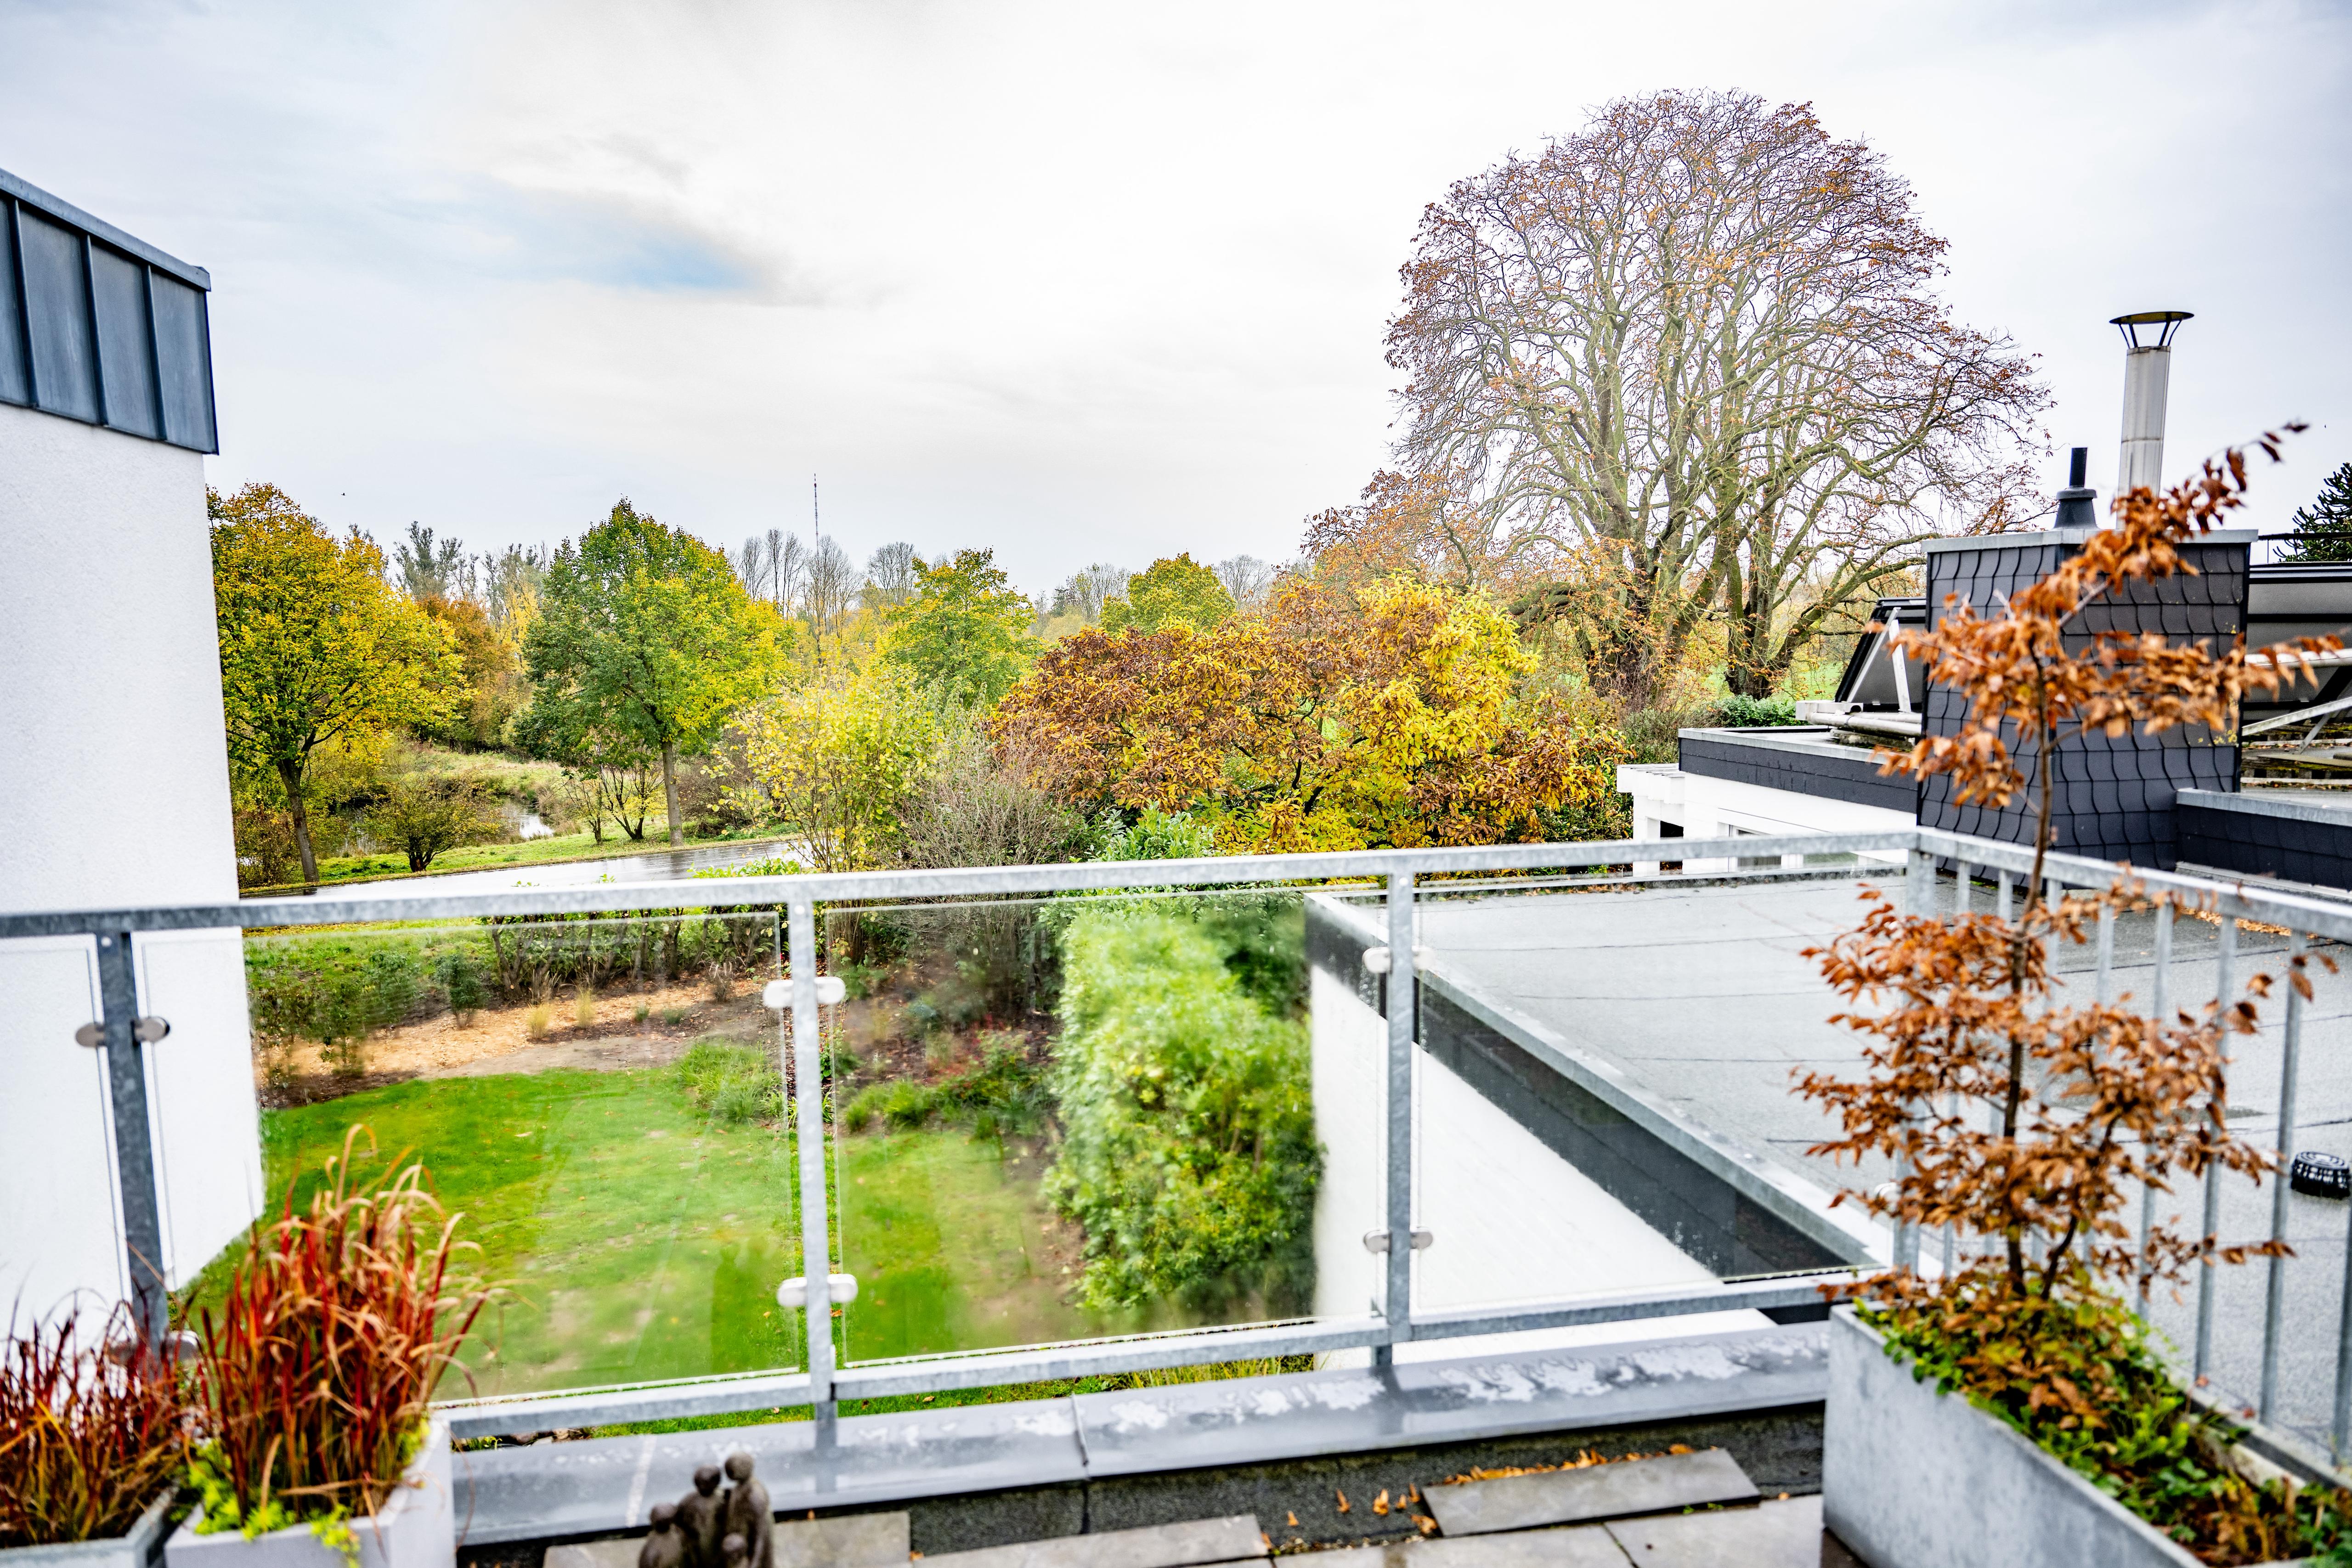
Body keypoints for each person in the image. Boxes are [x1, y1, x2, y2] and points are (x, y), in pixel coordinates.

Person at [722, 1452, 773, 1568]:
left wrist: (754, 1564)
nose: (729, 1474)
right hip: (739, 1546)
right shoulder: (741, 1486)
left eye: (731, 1471)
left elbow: (761, 1535)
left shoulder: (755, 1495)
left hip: (750, 1546)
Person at [676, 1465, 725, 1568]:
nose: (703, 1487)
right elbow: (678, 1519)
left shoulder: (723, 1500)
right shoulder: (690, 1500)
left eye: (706, 1484)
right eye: (700, 1484)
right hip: (697, 1543)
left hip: (716, 1541)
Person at [638, 1503, 683, 1568]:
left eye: (666, 1520)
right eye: (660, 1522)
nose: (663, 1523)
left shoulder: (677, 1535)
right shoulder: (653, 1545)